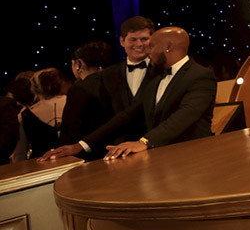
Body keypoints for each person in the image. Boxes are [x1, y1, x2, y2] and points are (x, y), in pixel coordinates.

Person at [41, 26, 216, 161]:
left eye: (152, 46)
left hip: (194, 158)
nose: (147, 52)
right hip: (163, 160)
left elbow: (183, 117)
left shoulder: (200, 75)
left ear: (168, 47)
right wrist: (80, 146)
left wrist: (143, 142)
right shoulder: (156, 79)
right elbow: (127, 115)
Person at [97, 16, 155, 143]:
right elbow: (105, 115)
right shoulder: (108, 74)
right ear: (122, 41)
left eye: (144, 39)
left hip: (157, 143)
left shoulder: (162, 70)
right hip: (119, 147)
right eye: (133, 39)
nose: (139, 44)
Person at [58, 40, 113, 155]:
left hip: (89, 154)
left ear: (78, 64)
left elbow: (70, 129)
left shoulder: (79, 89)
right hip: (117, 147)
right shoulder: (117, 81)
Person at [20, 68, 67, 159]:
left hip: (41, 163)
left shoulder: (25, 114)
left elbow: (20, 153)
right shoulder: (74, 101)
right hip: (75, 159)